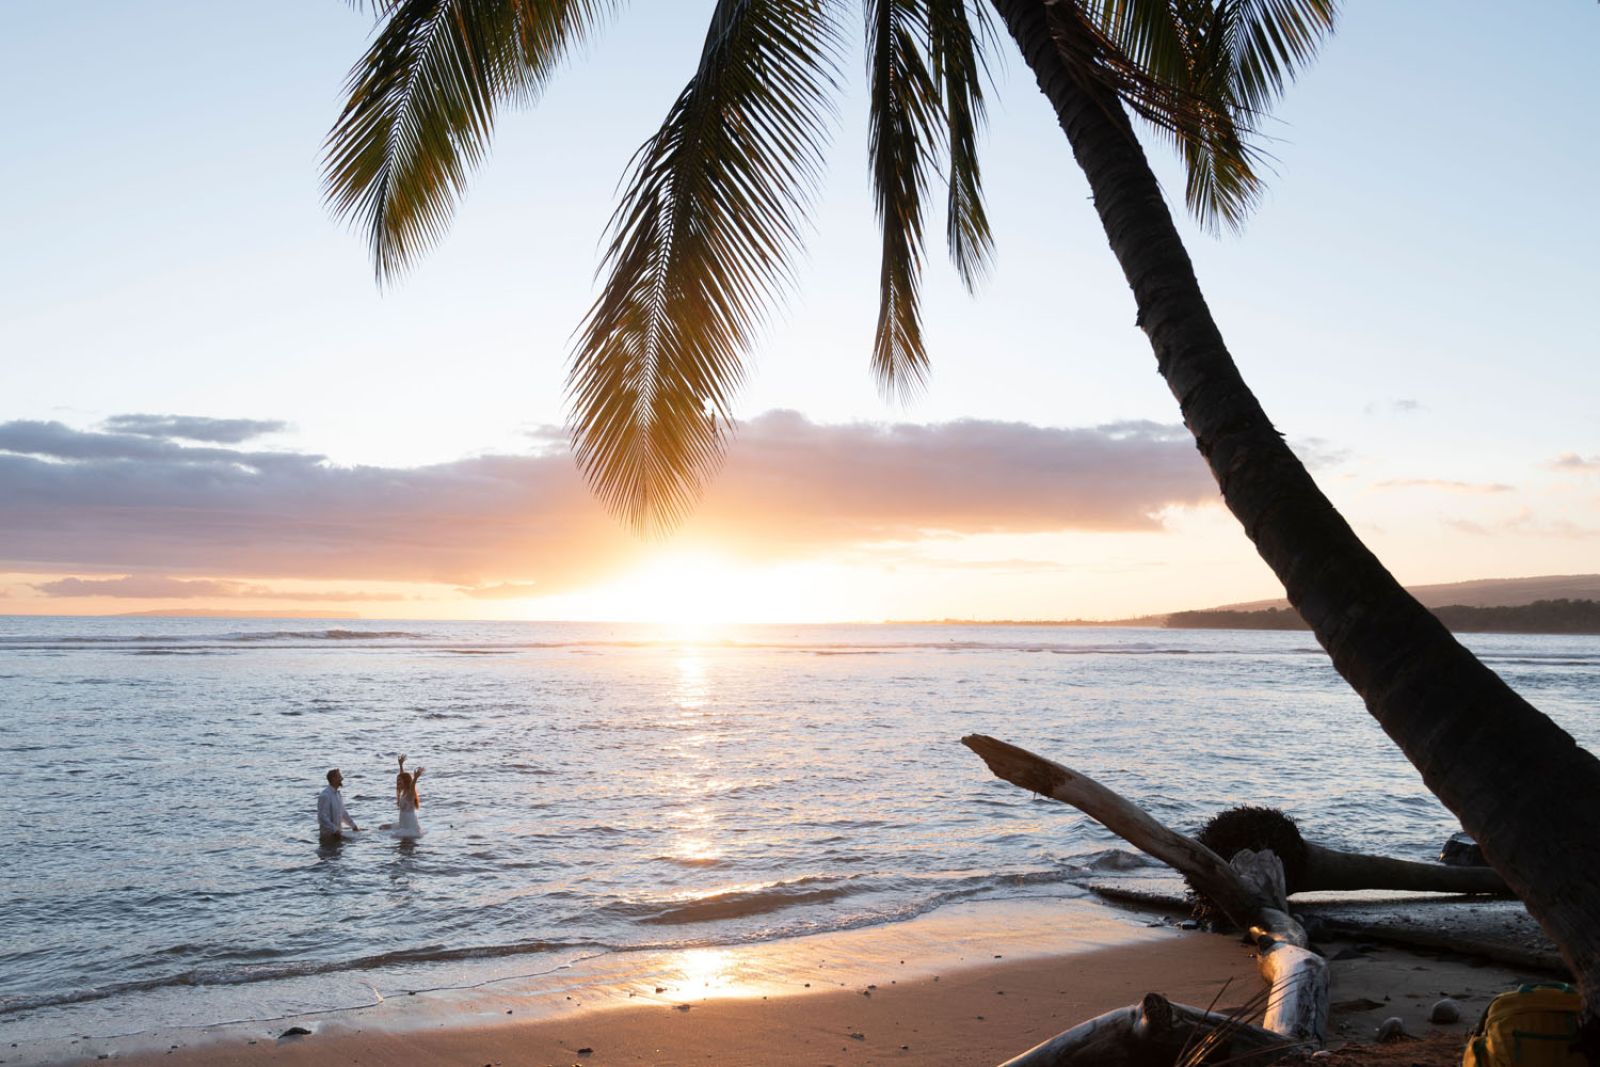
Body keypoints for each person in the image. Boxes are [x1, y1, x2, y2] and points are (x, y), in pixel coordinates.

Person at [317, 768, 360, 842]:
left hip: (338, 835)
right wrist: (335, 830)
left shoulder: (337, 795)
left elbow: (343, 813)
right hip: (327, 837)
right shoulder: (325, 795)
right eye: (339, 777)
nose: (342, 779)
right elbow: (322, 817)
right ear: (333, 779)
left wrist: (353, 826)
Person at [392, 755, 425, 840]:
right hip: (403, 825)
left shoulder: (410, 794)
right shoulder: (404, 793)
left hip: (410, 828)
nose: (398, 783)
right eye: (398, 781)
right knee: (382, 827)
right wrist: (400, 765)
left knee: (394, 838)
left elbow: (412, 786)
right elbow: (403, 776)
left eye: (400, 781)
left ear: (406, 782)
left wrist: (415, 778)